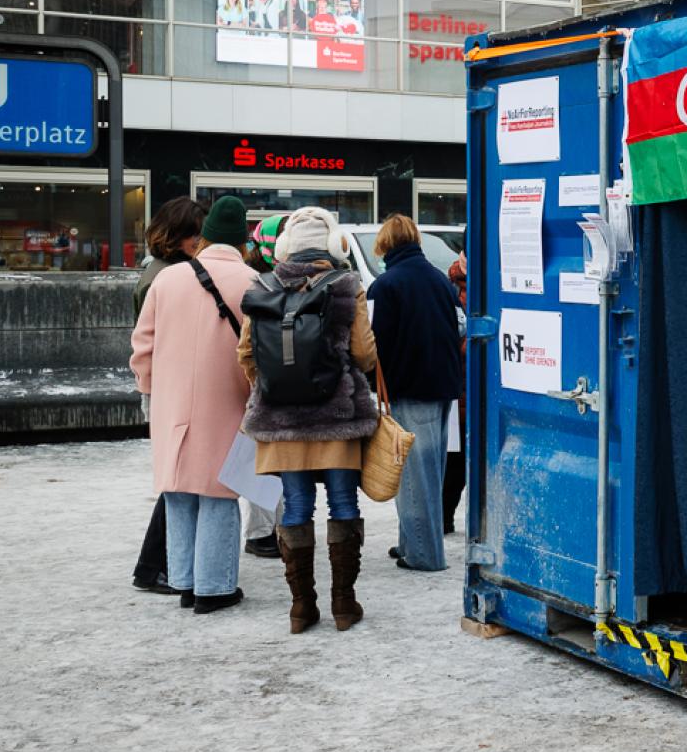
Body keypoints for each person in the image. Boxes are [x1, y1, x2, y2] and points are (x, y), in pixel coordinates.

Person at [238, 206, 379, 633]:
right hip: (337, 416)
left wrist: (274, 385)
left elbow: (246, 354)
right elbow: (364, 353)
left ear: (284, 248)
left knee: (296, 506)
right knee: (342, 503)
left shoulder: (261, 285)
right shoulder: (345, 283)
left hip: (281, 420)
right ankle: (343, 604)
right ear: (334, 245)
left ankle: (302, 608)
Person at [129, 196, 258, 613]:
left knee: (180, 491)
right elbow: (261, 352)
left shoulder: (167, 280)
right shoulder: (255, 283)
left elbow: (142, 346)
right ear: (240, 241)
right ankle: (214, 588)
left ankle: (184, 581)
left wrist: (150, 391)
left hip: (171, 405)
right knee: (219, 493)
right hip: (228, 402)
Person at [367, 214, 465, 572]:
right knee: (431, 471)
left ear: (385, 244)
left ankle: (424, 554)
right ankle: (411, 542)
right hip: (444, 387)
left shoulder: (386, 286)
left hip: (409, 388)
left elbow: (374, 344)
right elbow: (459, 328)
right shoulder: (441, 280)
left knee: (413, 474)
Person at [130, 197, 207, 596]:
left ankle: (162, 564)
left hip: (169, 384)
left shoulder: (162, 272)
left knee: (180, 477)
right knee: (179, 479)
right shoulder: (167, 276)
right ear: (183, 236)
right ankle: (153, 566)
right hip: (172, 386)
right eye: (199, 231)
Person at [444, 252, 470, 535]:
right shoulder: (451, 287)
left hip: (470, 386)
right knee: (456, 459)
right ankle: (444, 517)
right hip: (460, 386)